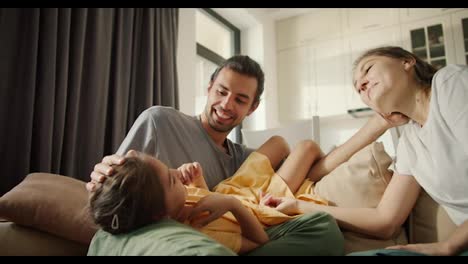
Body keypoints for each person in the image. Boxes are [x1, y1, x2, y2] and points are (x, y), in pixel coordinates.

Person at [86, 55, 344, 256]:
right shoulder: (160, 121)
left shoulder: (241, 158)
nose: (227, 104)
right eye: (221, 92)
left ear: (252, 108)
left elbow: (298, 163)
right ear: (209, 88)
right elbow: (114, 185)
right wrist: (104, 172)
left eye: (241, 100)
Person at [261, 46, 468, 256]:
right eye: (358, 89)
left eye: (368, 69)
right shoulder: (410, 144)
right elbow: (384, 220)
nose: (361, 84)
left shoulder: (449, 83)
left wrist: (449, 246)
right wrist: (298, 205)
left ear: (407, 62)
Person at [89, 137, 339, 255]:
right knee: (323, 226)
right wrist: (232, 204)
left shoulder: (180, 200)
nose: (177, 173)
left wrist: (196, 181)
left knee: (305, 153)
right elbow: (260, 242)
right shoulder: (200, 229)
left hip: (247, 198)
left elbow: (205, 196)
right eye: (171, 178)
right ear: (160, 214)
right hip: (254, 217)